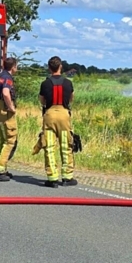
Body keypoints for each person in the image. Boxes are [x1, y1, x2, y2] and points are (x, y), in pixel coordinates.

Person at [38, 56, 76, 188]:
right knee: (66, 145)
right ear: (61, 67)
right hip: (64, 114)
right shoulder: (68, 83)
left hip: (49, 114)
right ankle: (67, 177)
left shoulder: (45, 83)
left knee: (49, 146)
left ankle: (52, 177)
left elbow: (42, 100)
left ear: (49, 68)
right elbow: (71, 99)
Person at [0, 56, 19, 181]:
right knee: (11, 141)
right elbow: (6, 93)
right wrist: (11, 107)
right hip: (5, 113)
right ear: (13, 67)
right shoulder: (8, 78)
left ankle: (1, 167)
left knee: (2, 140)